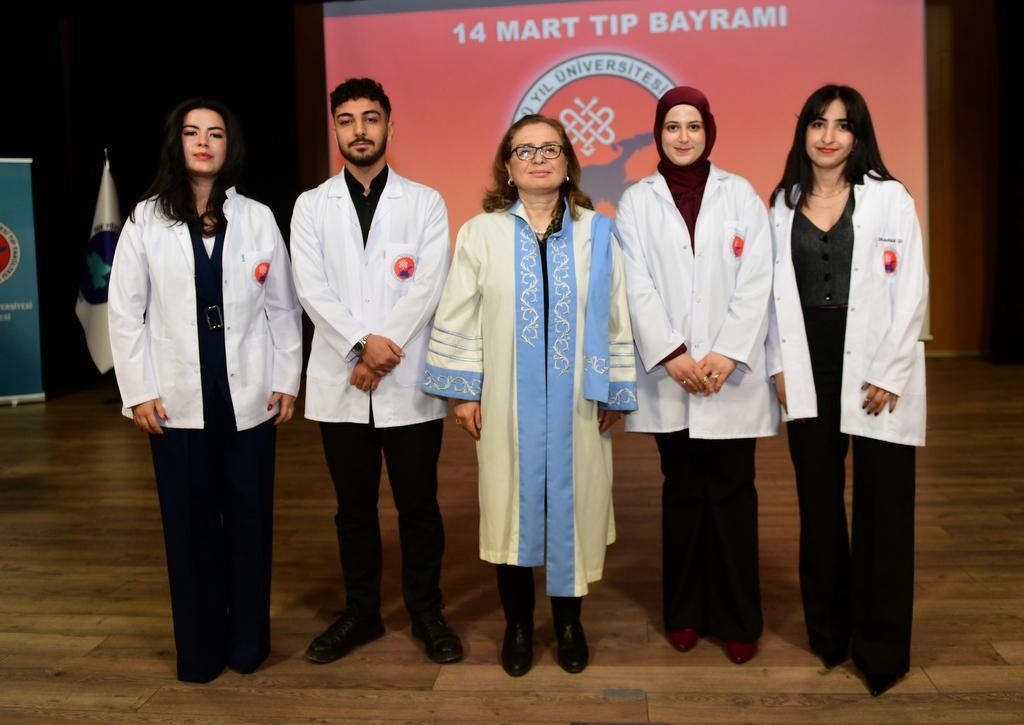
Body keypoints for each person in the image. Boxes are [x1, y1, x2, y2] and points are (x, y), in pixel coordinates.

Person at [422, 114, 637, 677]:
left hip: (577, 404)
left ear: (568, 162)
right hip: (506, 404)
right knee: (509, 511)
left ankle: (568, 625)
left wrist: (614, 389)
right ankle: (517, 626)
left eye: (550, 149)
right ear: (508, 167)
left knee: (574, 511)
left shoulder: (599, 233)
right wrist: (463, 393)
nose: (538, 159)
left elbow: (616, 314)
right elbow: (459, 313)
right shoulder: (480, 233)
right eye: (525, 150)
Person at [107, 98, 303, 683]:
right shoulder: (145, 220)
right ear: (177, 142)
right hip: (174, 402)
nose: (203, 141)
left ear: (229, 146)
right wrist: (139, 391)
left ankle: (247, 647)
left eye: (215, 133)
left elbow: (283, 307)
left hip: (250, 399)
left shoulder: (258, 217)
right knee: (189, 531)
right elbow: (125, 312)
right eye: (192, 132)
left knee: (249, 524)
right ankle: (198, 653)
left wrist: (285, 378)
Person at [289, 77, 462, 665]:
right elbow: (311, 289)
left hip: (405, 378)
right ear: (334, 129)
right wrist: (362, 346)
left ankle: (427, 612)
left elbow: (429, 285)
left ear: (389, 124)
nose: (359, 130)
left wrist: (381, 352)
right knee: (353, 509)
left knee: (419, 506)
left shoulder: (426, 202)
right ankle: (361, 613)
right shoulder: (311, 206)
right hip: (344, 381)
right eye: (346, 120)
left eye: (370, 118)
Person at [767, 84, 928, 696]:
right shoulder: (781, 203)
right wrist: (779, 363)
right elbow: (769, 295)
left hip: (876, 365)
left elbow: (911, 289)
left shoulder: (890, 198)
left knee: (885, 507)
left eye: (842, 124)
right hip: (808, 361)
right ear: (803, 132)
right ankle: (830, 634)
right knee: (819, 504)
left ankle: (881, 651)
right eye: (818, 123)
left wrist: (889, 371)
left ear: (859, 135)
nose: (828, 136)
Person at [615, 86, 776, 665]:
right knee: (682, 491)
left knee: (733, 493)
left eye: (693, 126)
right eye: (671, 127)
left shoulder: (741, 195)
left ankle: (738, 618)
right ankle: (684, 612)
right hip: (672, 374)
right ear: (658, 133)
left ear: (709, 132)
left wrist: (728, 352)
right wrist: (672, 354)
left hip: (730, 375)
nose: (682, 137)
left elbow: (758, 277)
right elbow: (634, 282)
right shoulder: (637, 201)